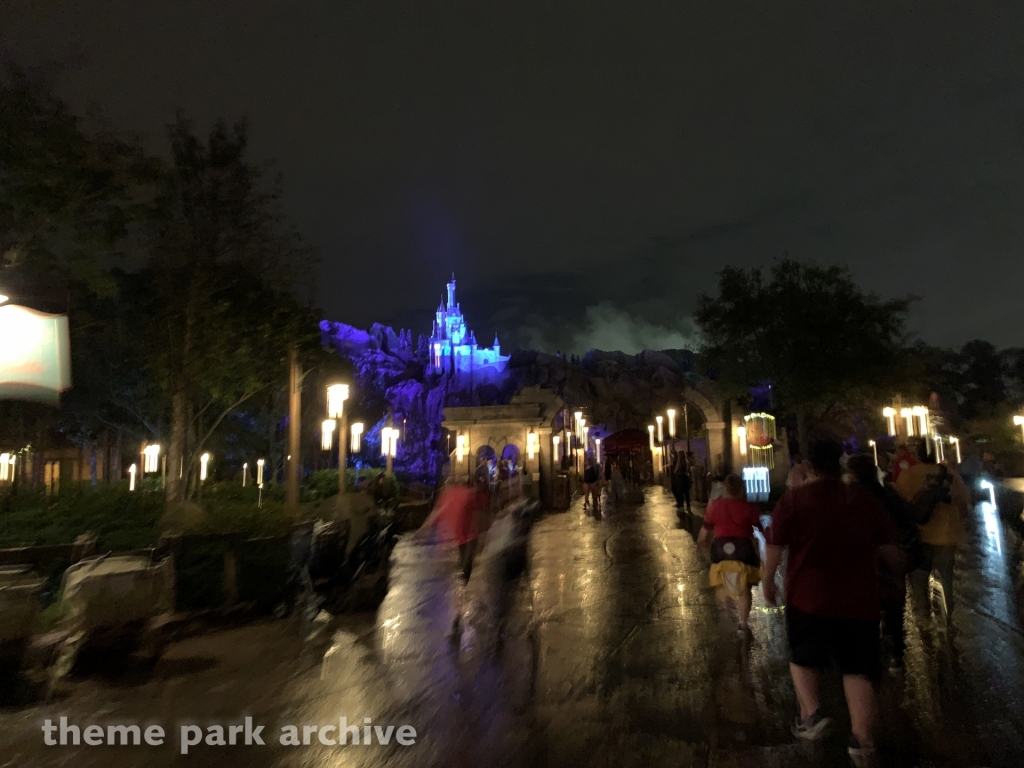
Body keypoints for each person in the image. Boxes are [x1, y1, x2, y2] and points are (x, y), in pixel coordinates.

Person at [763, 440, 902, 768]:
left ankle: (811, 714)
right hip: (859, 599)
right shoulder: (862, 500)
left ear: (810, 466)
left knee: (803, 658)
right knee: (858, 669)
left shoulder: (795, 499)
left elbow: (775, 545)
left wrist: (768, 580)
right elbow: (889, 546)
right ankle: (863, 742)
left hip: (808, 596)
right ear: (839, 463)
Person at [847, 454, 922, 668]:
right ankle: (897, 651)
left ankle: (871, 655)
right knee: (894, 606)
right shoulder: (888, 495)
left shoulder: (852, 499)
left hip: (864, 561)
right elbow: (905, 520)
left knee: (866, 607)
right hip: (892, 558)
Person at [895, 440, 970, 626]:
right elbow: (964, 501)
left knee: (919, 581)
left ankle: (924, 623)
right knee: (946, 581)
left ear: (918, 454)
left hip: (919, 537)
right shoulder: (951, 474)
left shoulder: (908, 475)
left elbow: (899, 505)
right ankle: (948, 622)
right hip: (947, 536)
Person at [416, 476, 485, 638]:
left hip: (468, 539)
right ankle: (458, 609)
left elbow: (477, 513)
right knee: (461, 574)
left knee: (463, 575)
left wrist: (423, 530)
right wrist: (424, 530)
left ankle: (458, 611)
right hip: (463, 540)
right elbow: (438, 514)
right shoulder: (450, 495)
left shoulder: (465, 494)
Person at [697, 474, 763, 633]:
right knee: (744, 587)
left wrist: (700, 544)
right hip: (743, 549)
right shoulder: (749, 507)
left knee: (720, 582)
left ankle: (725, 610)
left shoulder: (714, 505)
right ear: (741, 489)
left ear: (725, 488)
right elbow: (760, 528)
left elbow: (705, 530)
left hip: (720, 548)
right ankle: (742, 623)